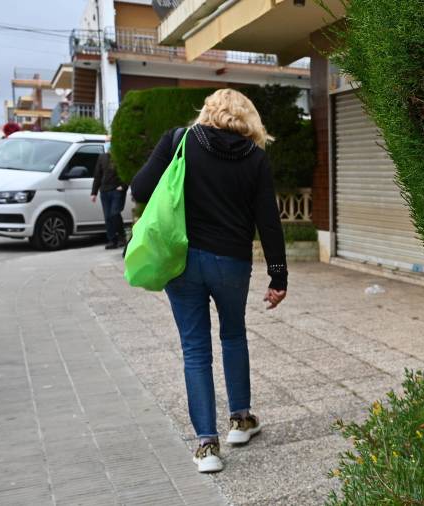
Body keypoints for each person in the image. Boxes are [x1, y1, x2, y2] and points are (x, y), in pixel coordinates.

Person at [130, 89, 288, 473]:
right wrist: (278, 274)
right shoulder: (255, 158)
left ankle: (206, 446)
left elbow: (139, 189)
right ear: (248, 118)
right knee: (233, 335)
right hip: (231, 262)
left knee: (195, 350)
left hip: (182, 260)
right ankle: (240, 420)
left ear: (207, 110)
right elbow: (268, 218)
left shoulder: (179, 140)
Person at [91, 140, 128, 249]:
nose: (108, 145)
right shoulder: (102, 157)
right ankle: (112, 240)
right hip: (104, 191)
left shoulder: (120, 157)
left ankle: (122, 237)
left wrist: (124, 186)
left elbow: (126, 172)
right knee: (108, 216)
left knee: (114, 213)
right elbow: (97, 175)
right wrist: (94, 192)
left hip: (117, 190)